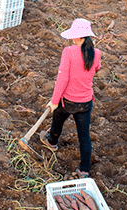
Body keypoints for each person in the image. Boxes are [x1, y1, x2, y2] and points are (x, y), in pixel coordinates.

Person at [39, 18, 102, 178]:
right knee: (84, 136)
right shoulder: (97, 53)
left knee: (57, 121)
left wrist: (54, 101)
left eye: (74, 35)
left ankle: (52, 142)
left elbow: (62, 79)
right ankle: (84, 170)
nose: (72, 38)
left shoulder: (69, 52)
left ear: (78, 37)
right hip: (86, 102)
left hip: (68, 100)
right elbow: (96, 68)